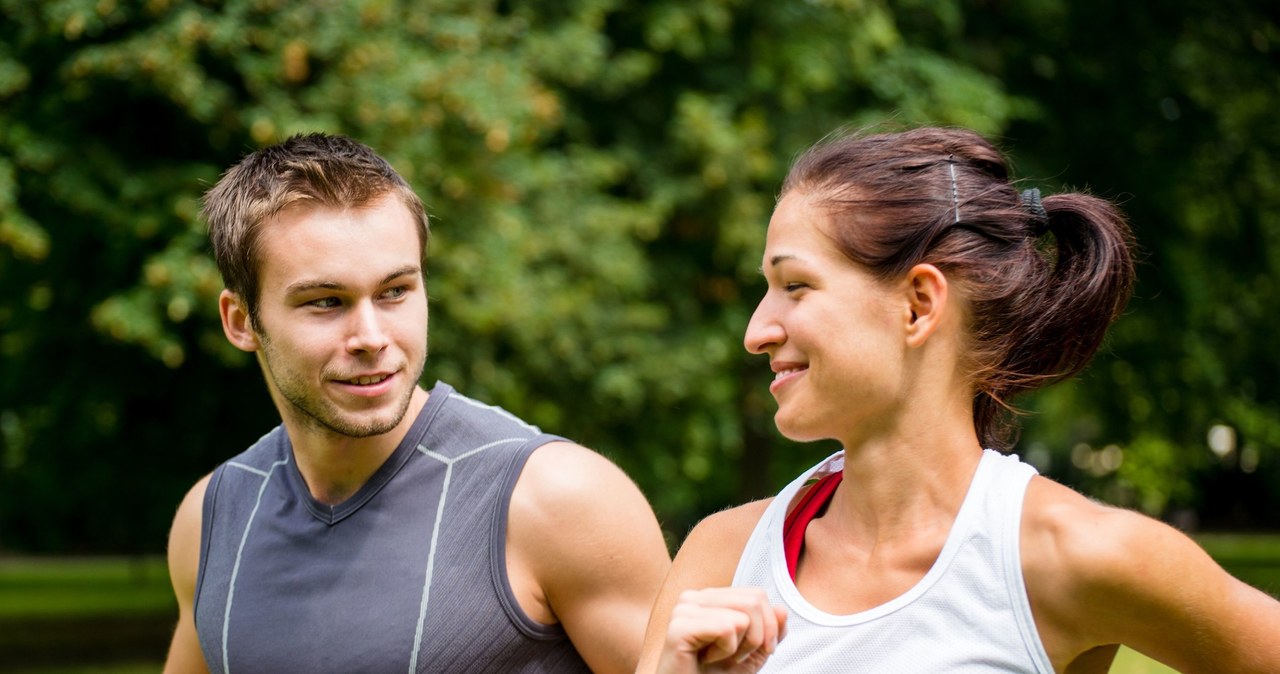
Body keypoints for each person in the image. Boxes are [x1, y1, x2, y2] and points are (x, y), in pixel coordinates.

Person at [638, 126, 1280, 672]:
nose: (756, 332)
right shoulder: (721, 556)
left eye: (795, 285)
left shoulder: (1071, 555)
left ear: (919, 304)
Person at [162, 133, 670, 674]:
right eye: (326, 302)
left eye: (395, 291)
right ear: (241, 322)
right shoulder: (211, 517)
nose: (371, 336)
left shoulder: (558, 498)